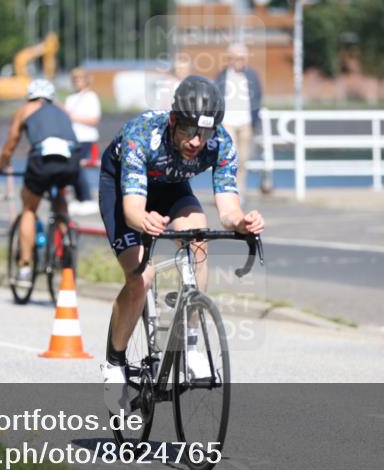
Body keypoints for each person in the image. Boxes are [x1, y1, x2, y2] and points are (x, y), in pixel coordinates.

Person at [99, 75, 265, 413]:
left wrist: (243, 223)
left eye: (204, 133)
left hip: (172, 187)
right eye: (189, 130)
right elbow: (132, 208)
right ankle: (114, 363)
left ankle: (190, 344)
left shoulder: (220, 143)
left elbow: (228, 209)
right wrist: (143, 219)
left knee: (198, 239)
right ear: (174, 120)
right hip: (125, 189)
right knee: (140, 278)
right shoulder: (141, 135)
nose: (196, 141)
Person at [0, 79, 80, 290]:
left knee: (29, 209)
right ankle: (65, 241)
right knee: (59, 199)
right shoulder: (61, 109)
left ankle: (25, 266)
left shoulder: (25, 109)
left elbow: (10, 144)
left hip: (42, 159)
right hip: (71, 159)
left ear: (29, 96)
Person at [215, 43, 263, 198]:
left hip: (246, 122)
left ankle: (240, 191)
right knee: (230, 157)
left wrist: (255, 119)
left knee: (243, 160)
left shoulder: (251, 76)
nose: (238, 61)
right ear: (229, 59)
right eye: (235, 58)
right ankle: (227, 191)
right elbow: (215, 97)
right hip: (227, 122)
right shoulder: (222, 76)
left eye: (242, 58)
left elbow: (258, 96)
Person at [63, 68, 101, 216]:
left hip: (86, 138)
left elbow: (94, 120)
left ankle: (86, 198)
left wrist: (73, 116)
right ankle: (78, 198)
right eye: (75, 80)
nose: (77, 82)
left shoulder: (91, 97)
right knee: (70, 167)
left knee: (77, 166)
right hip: (71, 138)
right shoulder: (70, 97)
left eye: (80, 79)